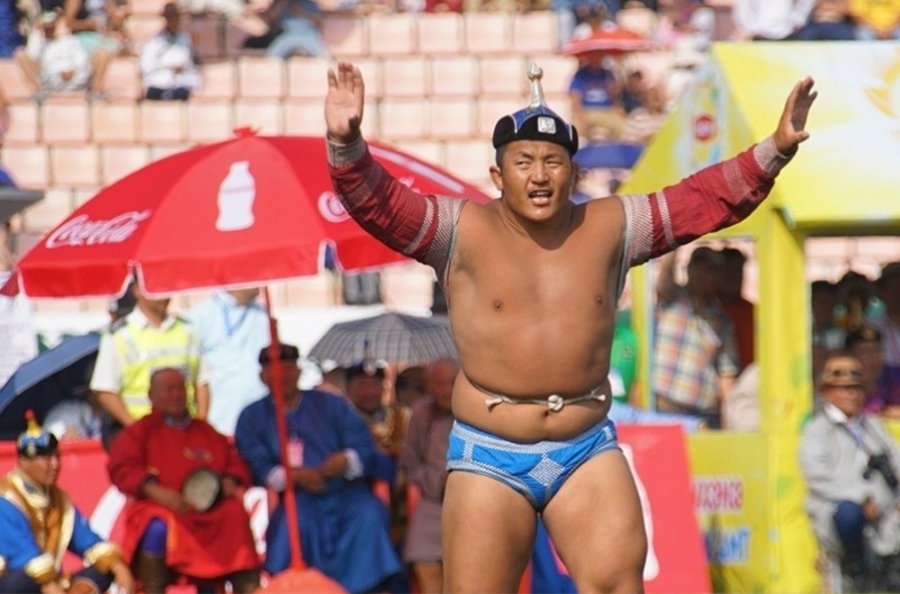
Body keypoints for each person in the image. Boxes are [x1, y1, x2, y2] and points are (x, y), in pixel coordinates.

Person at [324, 59, 816, 591]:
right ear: (497, 174)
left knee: (617, 585)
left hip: (585, 446)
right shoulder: (459, 230)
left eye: (554, 162)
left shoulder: (611, 226)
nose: (539, 175)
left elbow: (699, 205)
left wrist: (774, 151)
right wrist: (348, 145)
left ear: (573, 172)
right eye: (524, 162)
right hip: (489, 448)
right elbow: (381, 206)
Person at [233, 343, 402, 592]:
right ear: (263, 377)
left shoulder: (330, 404)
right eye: (276, 370)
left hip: (344, 490)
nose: (284, 376)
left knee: (368, 513)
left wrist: (346, 460)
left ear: (299, 372)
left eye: (289, 369)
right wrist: (295, 477)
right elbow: (256, 461)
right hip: (298, 495)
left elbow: (361, 444)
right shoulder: (252, 416)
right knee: (296, 521)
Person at [107, 367, 260, 593]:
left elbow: (235, 463)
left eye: (180, 389)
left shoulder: (205, 431)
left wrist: (230, 481)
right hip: (165, 507)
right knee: (156, 525)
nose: (177, 395)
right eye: (169, 390)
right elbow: (121, 468)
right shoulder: (140, 432)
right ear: (152, 395)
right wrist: (154, 491)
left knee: (235, 514)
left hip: (209, 511)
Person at [0, 411, 134, 594]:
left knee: (105, 567)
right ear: (24, 462)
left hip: (50, 579)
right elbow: (25, 556)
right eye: (46, 458)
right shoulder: (6, 499)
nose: (54, 464)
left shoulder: (58, 499)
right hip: (13, 581)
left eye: (57, 457)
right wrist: (50, 586)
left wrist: (118, 566)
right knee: (27, 577)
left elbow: (87, 540)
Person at [799, 353, 900, 593]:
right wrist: (861, 497)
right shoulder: (818, 430)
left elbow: (895, 458)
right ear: (828, 393)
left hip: (884, 505)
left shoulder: (872, 425)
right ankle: (854, 566)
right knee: (848, 513)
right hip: (839, 508)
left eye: (855, 389)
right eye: (843, 389)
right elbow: (817, 476)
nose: (850, 395)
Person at [89, 279, 210, 449]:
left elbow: (201, 382)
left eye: (165, 286)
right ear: (137, 290)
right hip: (142, 437)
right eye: (155, 286)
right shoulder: (120, 334)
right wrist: (135, 429)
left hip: (185, 432)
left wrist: (201, 425)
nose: (163, 294)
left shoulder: (186, 329)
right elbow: (106, 391)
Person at [653, 246, 740, 429]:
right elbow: (664, 275)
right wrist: (673, 241)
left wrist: (731, 418)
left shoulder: (723, 320)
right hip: (663, 408)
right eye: (698, 266)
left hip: (703, 415)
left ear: (718, 277)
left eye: (710, 269)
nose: (702, 273)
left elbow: (727, 373)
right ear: (689, 269)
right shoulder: (671, 298)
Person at [398, 357, 459, 593]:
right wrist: (436, 481)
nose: (447, 390)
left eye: (453, 383)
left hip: (474, 496)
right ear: (429, 385)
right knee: (422, 552)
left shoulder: (475, 408)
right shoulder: (422, 413)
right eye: (440, 384)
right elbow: (409, 463)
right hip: (434, 498)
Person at [184, 287, 269, 435]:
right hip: (221, 417)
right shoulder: (201, 315)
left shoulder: (262, 313)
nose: (261, 282)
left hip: (262, 414)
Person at [139, 2, 201, 102]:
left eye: (175, 18)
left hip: (181, 82)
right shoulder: (155, 41)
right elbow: (146, 65)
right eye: (170, 18)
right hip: (159, 80)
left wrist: (181, 67)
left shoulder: (185, 39)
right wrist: (168, 66)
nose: (174, 21)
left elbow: (190, 62)